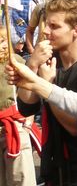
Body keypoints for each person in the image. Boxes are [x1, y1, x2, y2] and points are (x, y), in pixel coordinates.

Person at [13, 0, 77, 185]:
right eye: (45, 25)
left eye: (54, 26)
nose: (45, 31)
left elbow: (75, 128)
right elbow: (25, 108)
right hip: (55, 166)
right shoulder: (48, 59)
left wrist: (48, 87)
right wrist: (32, 65)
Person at [0, 26, 37, 186]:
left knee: (21, 179)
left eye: (4, 40)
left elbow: (31, 90)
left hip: (15, 126)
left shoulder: (16, 62)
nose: (3, 45)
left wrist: (28, 121)